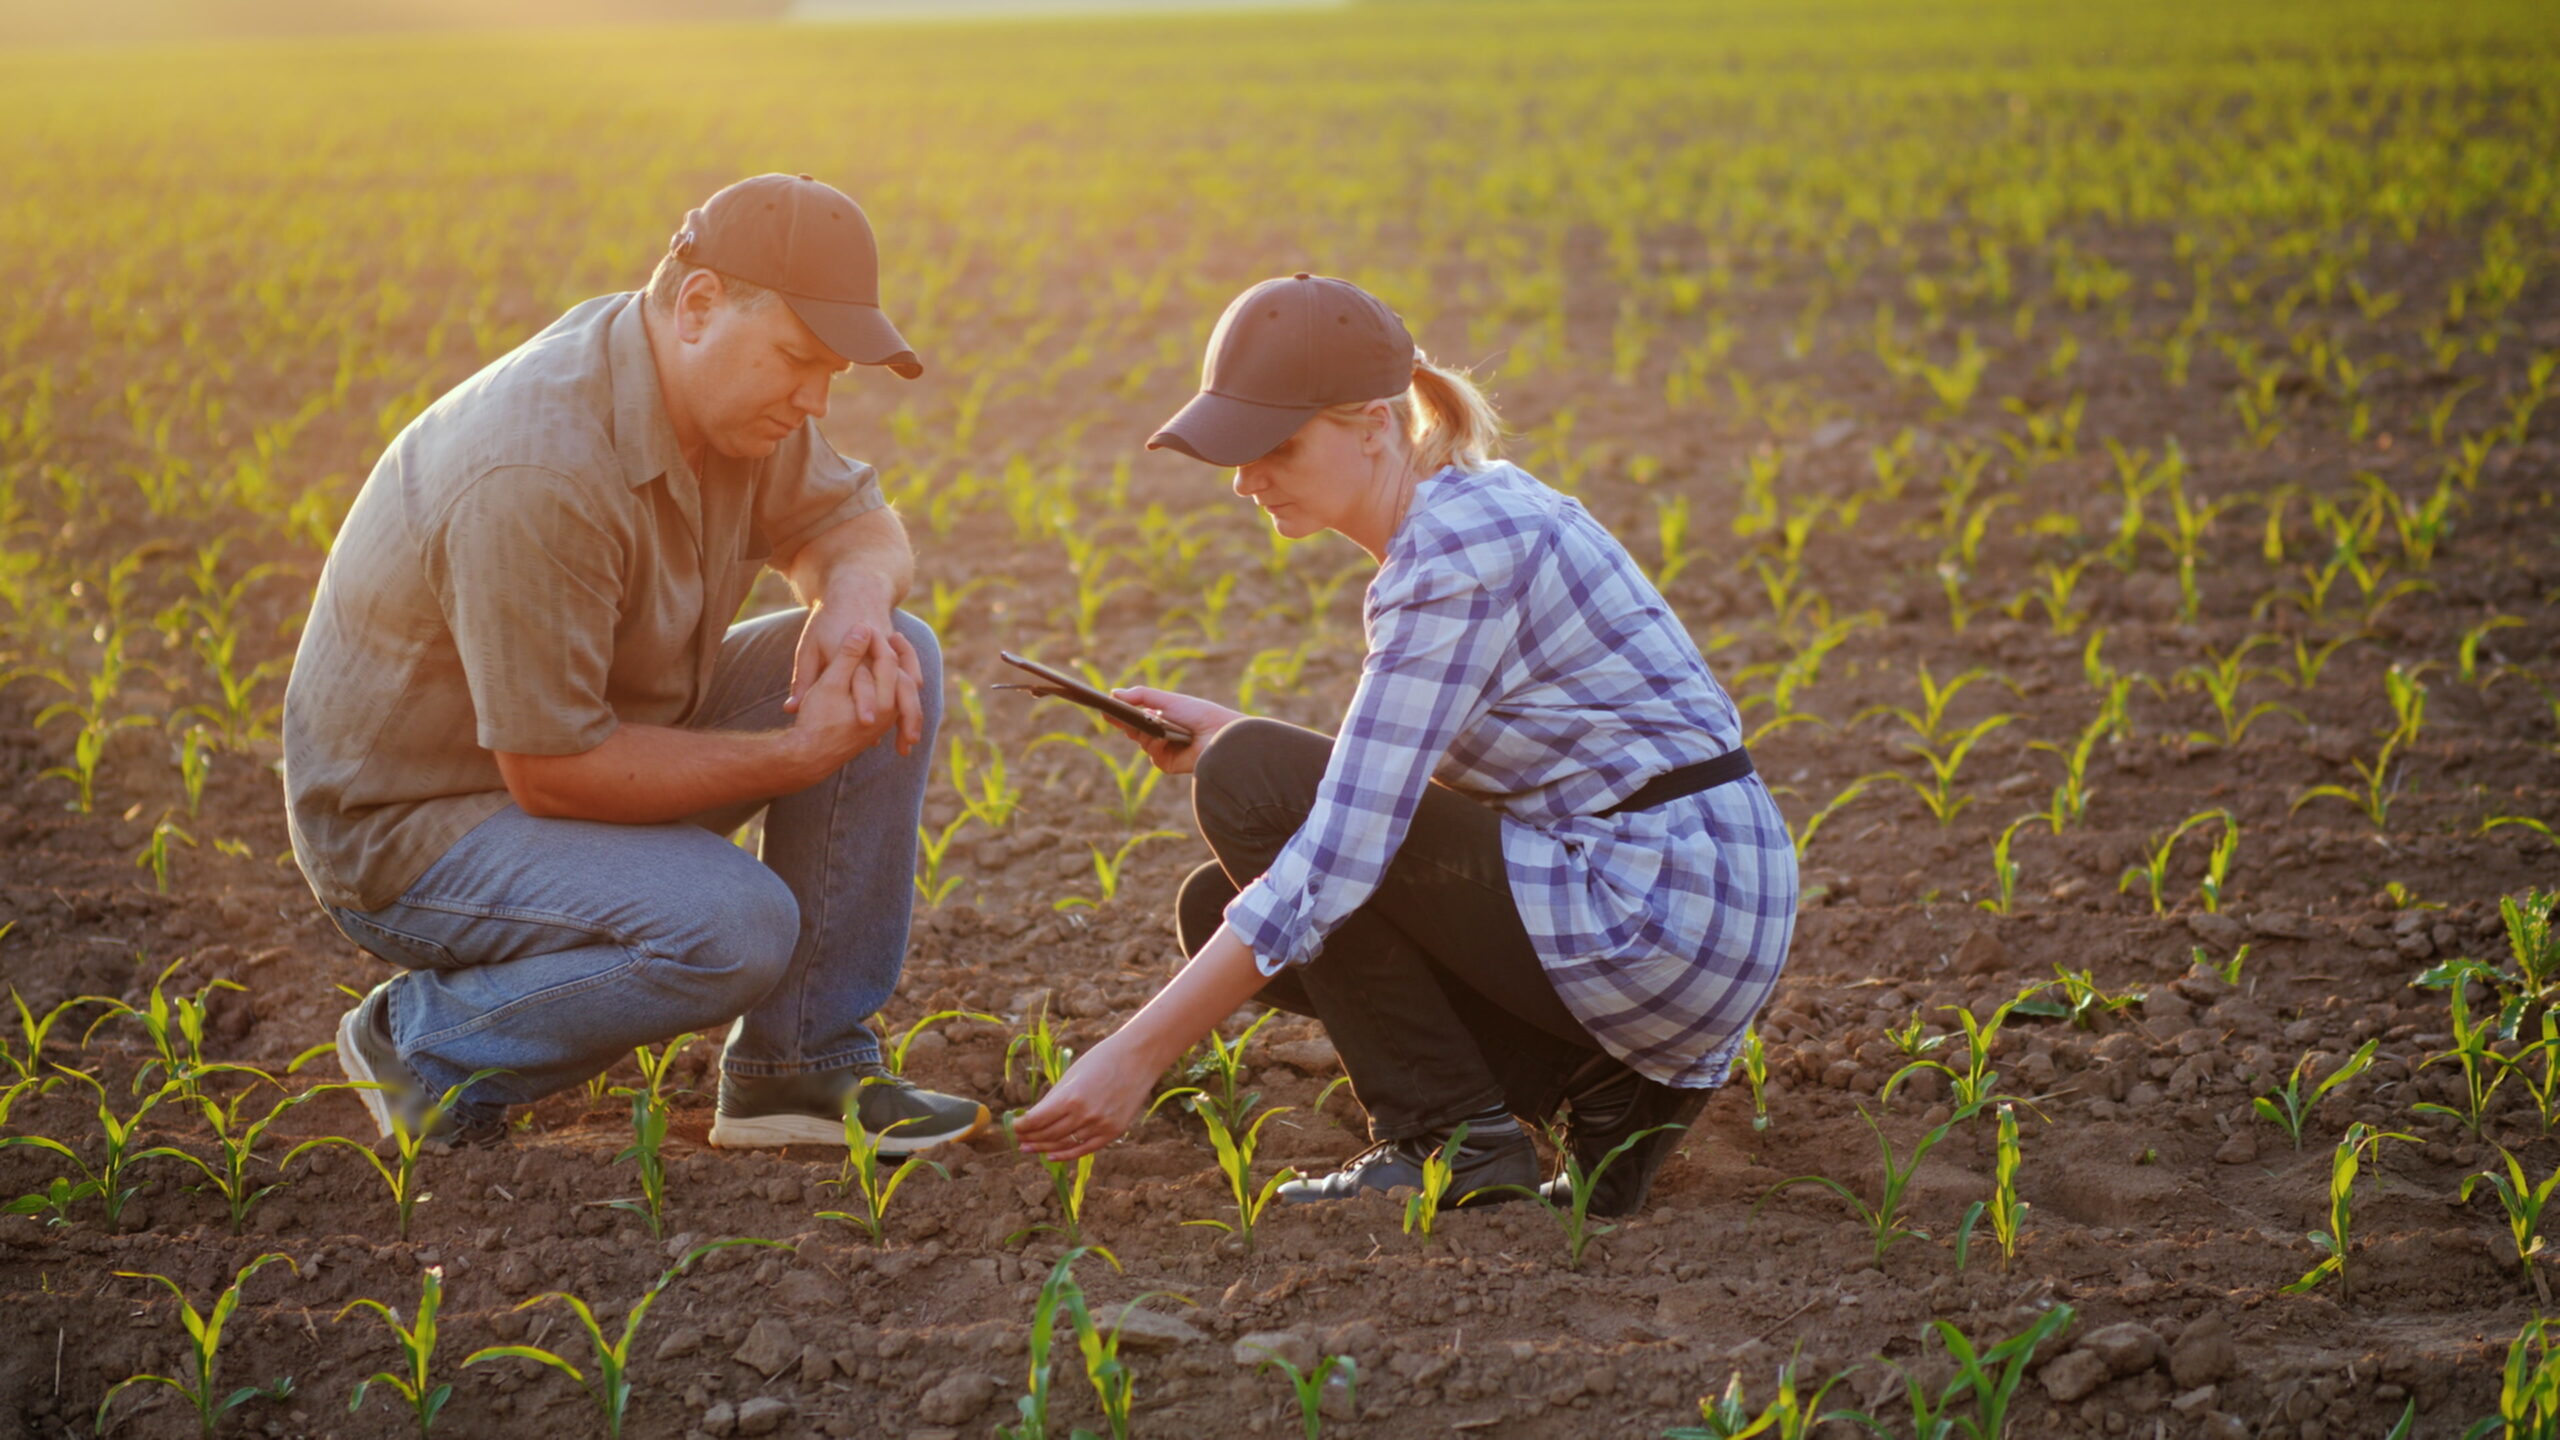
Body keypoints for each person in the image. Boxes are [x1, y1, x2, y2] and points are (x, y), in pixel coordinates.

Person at [1014, 274, 1796, 1216]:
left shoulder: (1453, 555)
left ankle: (1448, 1142)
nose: (1245, 478)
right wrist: (1230, 732)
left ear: (1376, 424)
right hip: (1694, 908)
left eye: (1276, 446)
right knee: (1220, 891)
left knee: (1253, 786)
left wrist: (1132, 1055)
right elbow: (1397, 782)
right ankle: (1605, 1089)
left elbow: (1343, 848)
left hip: (1659, 909)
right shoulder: (1475, 509)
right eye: (1237, 449)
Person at [281, 173, 990, 1152]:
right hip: (419, 829)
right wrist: (795, 757)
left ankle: (803, 1070)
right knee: (732, 926)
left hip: (579, 752)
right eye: (798, 359)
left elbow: (854, 523)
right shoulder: (537, 469)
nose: (817, 397)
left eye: (832, 371)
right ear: (698, 304)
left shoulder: (726, 400)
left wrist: (854, 603)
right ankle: (424, 1046)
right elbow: (557, 771)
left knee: (891, 650)